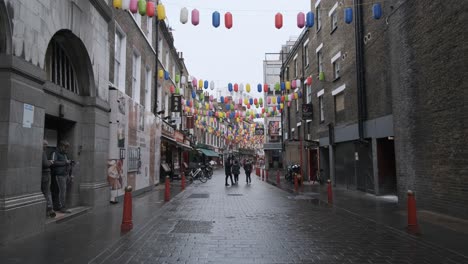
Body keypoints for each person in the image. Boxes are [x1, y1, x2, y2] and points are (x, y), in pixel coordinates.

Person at [51, 141, 72, 213]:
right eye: (65, 147)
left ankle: (60, 206)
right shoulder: (55, 153)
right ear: (61, 146)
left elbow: (67, 164)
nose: (66, 149)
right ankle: (62, 207)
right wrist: (65, 162)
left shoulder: (65, 154)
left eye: (67, 148)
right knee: (62, 191)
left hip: (65, 175)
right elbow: (53, 162)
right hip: (59, 175)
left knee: (63, 191)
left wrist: (69, 174)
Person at [41, 140, 56, 218]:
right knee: (47, 192)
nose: (46, 147)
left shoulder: (42, 151)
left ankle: (49, 210)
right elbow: (45, 164)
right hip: (45, 174)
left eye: (46, 145)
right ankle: (49, 210)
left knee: (46, 192)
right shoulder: (42, 152)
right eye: (45, 145)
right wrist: (50, 162)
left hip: (44, 174)